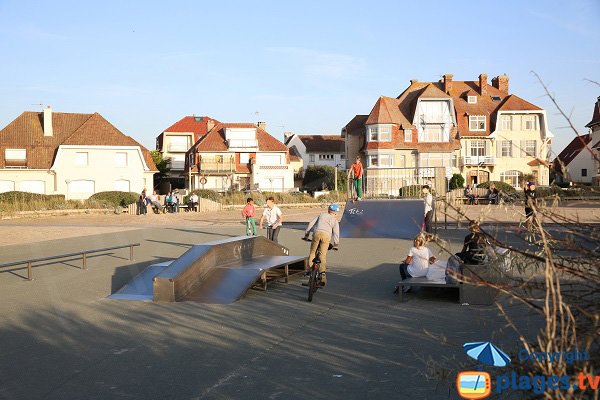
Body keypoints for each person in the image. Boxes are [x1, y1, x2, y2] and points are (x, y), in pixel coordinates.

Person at [303, 204, 340, 287]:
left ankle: (309, 270)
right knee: (322, 256)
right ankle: (322, 274)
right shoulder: (334, 220)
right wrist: (336, 244)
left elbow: (311, 223)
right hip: (326, 237)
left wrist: (306, 235)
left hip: (316, 234)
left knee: (312, 252)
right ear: (336, 213)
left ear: (328, 210)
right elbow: (336, 233)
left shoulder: (321, 215)